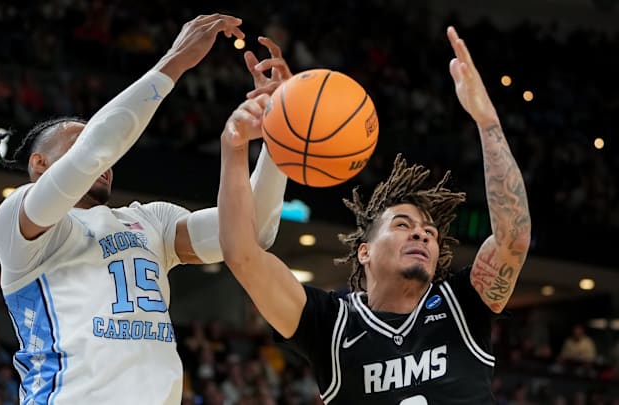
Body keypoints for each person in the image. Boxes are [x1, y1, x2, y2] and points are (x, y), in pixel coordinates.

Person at [218, 26, 531, 403]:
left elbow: (513, 237)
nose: (422, 235)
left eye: (430, 233)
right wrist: (235, 145)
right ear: (364, 251)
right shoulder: (329, 323)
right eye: (403, 225)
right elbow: (242, 256)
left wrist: (487, 122)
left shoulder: (461, 305)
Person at [0, 15, 290, 405]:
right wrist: (176, 60)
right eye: (75, 143)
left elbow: (254, 233)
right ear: (40, 165)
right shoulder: (17, 221)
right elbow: (96, 150)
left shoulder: (150, 221)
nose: (106, 162)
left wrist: (282, 135)